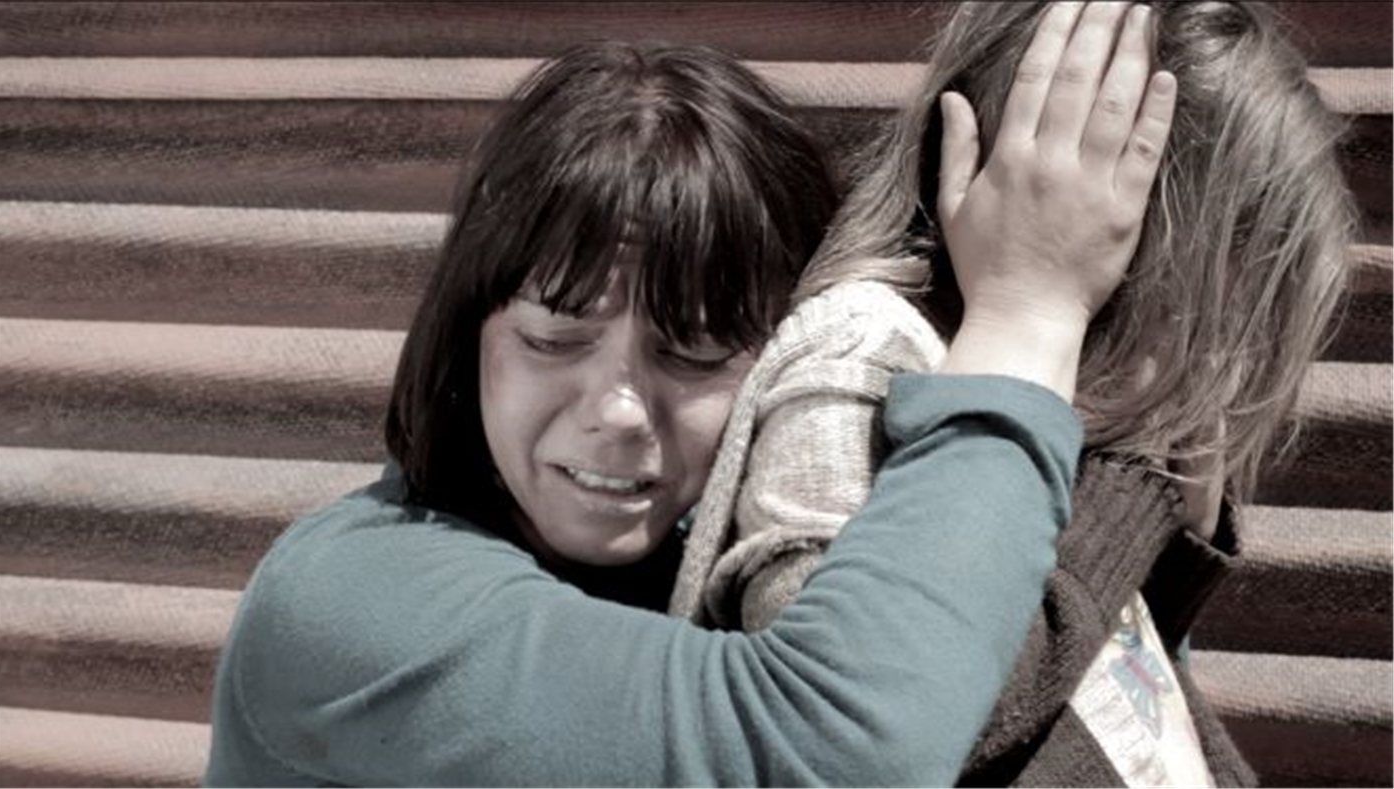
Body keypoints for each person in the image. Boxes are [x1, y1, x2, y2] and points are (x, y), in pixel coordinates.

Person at [205, 11, 1176, 785]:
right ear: (467, 337)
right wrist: (1026, 315)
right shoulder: (350, 602)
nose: (618, 410)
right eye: (553, 339)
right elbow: (823, 756)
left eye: (696, 352)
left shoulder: (719, 539)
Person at [671, 1, 1353, 786]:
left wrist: (1167, 556)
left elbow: (1091, 701)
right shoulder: (863, 353)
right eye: (1223, 301)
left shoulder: (1066, 386)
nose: (1223, 353)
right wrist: (1132, 486)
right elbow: (870, 731)